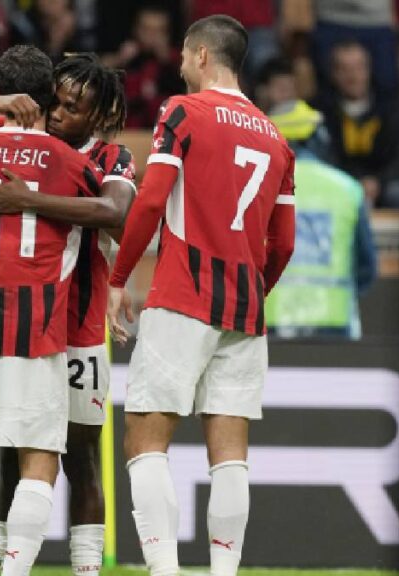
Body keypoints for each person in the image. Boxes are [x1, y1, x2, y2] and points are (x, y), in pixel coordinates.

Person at [107, 14, 296, 576]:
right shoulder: (276, 138)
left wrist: (119, 279)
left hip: (183, 294)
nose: (182, 65)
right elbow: (281, 244)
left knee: (145, 438)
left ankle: (165, 569)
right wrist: (254, 289)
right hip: (245, 307)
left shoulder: (183, 111)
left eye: (187, 56)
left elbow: (148, 202)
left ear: (204, 57)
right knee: (230, 452)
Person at [0, 52, 136, 576]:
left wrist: (27, 200)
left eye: (72, 107)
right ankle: (8, 564)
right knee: (15, 454)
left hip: (78, 329)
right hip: (20, 323)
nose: (57, 113)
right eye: (55, 100)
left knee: (81, 456)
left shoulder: (112, 157)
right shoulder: (8, 130)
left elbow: (116, 214)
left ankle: (86, 571)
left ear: (98, 116)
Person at [264, 99, 376, 339]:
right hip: (334, 325)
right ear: (314, 138)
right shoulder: (347, 188)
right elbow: (366, 266)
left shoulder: (257, 189)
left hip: (271, 326)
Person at [316, 39, 399, 208]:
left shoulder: (390, 110)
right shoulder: (320, 113)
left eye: (358, 67)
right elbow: (323, 159)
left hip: (382, 186)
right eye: (344, 69)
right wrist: (354, 183)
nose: (353, 76)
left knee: (398, 192)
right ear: (333, 74)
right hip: (339, 184)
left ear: (368, 70)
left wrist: (378, 182)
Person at [104, 4, 185, 128]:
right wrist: (119, 60)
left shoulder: (178, 65)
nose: (152, 36)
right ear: (136, 30)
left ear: (168, 34)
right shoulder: (126, 60)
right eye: (147, 30)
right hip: (127, 134)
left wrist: (170, 63)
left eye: (159, 31)